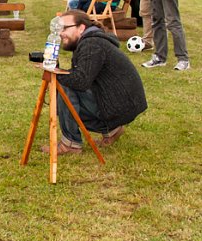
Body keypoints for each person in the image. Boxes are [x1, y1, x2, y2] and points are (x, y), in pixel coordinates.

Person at [41, 9, 147, 155]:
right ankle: (112, 131)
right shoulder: (91, 41)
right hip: (122, 104)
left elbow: (80, 82)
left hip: (119, 107)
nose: (60, 33)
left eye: (65, 28)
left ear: (81, 28)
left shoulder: (92, 44)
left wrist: (54, 75)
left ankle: (71, 144)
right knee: (67, 83)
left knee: (64, 87)